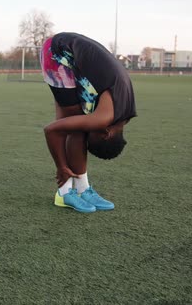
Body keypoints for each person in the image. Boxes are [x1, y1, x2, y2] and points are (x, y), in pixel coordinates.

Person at [40, 32, 137, 213]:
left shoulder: (124, 114)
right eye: (92, 137)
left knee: (78, 127)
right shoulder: (104, 118)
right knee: (76, 129)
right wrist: (61, 167)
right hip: (58, 53)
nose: (90, 131)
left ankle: (82, 189)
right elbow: (51, 130)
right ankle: (64, 192)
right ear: (106, 133)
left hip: (74, 57)